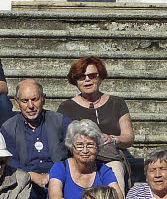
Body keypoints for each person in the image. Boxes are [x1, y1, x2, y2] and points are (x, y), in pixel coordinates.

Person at [57, 57, 134, 191]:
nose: (87, 80)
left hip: (109, 157)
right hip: (80, 159)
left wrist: (114, 139)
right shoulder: (66, 107)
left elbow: (129, 137)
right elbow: (63, 141)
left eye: (92, 75)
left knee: (115, 168)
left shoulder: (117, 103)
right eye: (81, 77)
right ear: (75, 81)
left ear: (100, 77)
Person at [0, 79, 71, 199]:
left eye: (35, 99)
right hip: (26, 183)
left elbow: (75, 152)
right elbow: (11, 162)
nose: (30, 106)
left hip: (59, 179)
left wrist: (56, 174)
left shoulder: (60, 121)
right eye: (25, 101)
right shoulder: (8, 128)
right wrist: (32, 175)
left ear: (44, 99)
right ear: (16, 102)